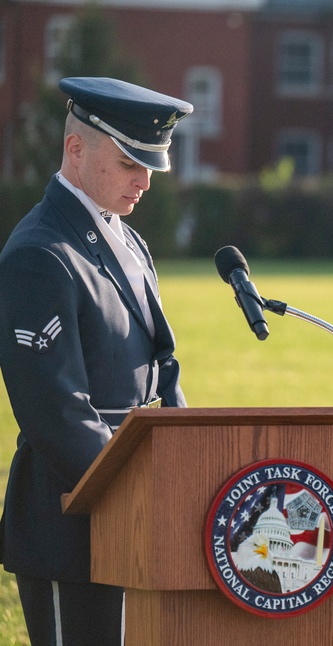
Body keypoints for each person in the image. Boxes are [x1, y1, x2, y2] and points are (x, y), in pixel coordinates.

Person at [0, 77, 191, 643]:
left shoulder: (127, 240)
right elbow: (55, 410)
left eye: (151, 164)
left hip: (138, 509)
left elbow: (162, 366)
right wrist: (138, 490)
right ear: (76, 150)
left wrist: (187, 460)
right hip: (75, 521)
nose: (146, 180)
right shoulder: (40, 253)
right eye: (131, 161)